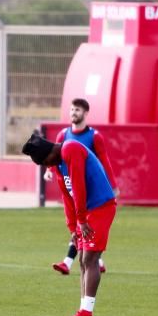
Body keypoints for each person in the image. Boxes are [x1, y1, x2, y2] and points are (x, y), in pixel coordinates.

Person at [23, 131, 116, 316]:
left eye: (45, 161)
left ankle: (86, 313)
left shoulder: (70, 148)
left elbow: (79, 187)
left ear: (49, 152)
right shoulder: (58, 164)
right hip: (87, 212)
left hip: (100, 207)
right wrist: (73, 226)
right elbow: (67, 196)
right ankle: (83, 311)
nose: (47, 166)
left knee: (90, 258)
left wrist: (81, 220)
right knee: (83, 259)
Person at [44, 98, 118, 276]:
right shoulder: (63, 135)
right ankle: (92, 261)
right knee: (80, 225)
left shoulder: (94, 136)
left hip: (90, 189)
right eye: (71, 110)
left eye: (77, 110)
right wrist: (49, 170)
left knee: (83, 225)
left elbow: (103, 161)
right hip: (72, 187)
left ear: (85, 113)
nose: (73, 113)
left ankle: (71, 262)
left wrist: (113, 185)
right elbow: (55, 157)